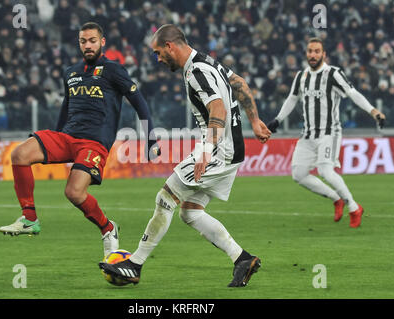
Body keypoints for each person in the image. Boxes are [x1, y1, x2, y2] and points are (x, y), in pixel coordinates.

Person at [100, 24, 271, 287]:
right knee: (190, 212)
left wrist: (205, 152)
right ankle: (242, 259)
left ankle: (134, 265)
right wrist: (255, 121)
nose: (157, 59)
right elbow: (239, 83)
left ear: (170, 46)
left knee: (165, 197)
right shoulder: (208, 62)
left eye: (158, 52)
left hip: (218, 151)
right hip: (231, 150)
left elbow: (218, 108)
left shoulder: (196, 71)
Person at [0, 22, 160, 258]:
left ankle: (108, 228)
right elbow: (66, 108)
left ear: (102, 42)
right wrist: (54, 140)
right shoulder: (71, 73)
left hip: (94, 142)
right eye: (83, 41)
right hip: (67, 136)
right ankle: (29, 219)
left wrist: (151, 139)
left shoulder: (114, 70)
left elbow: (139, 102)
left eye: (92, 40)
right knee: (19, 154)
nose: (87, 45)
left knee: (74, 193)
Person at [265, 37, 386, 228]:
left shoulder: (333, 74)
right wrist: (277, 120)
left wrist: (373, 111)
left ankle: (354, 207)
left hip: (329, 132)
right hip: (308, 134)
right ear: (306, 53)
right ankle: (336, 198)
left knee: (325, 171)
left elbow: (353, 93)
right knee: (299, 174)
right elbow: (292, 99)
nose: (313, 55)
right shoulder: (302, 76)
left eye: (316, 51)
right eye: (310, 51)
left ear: (324, 54)